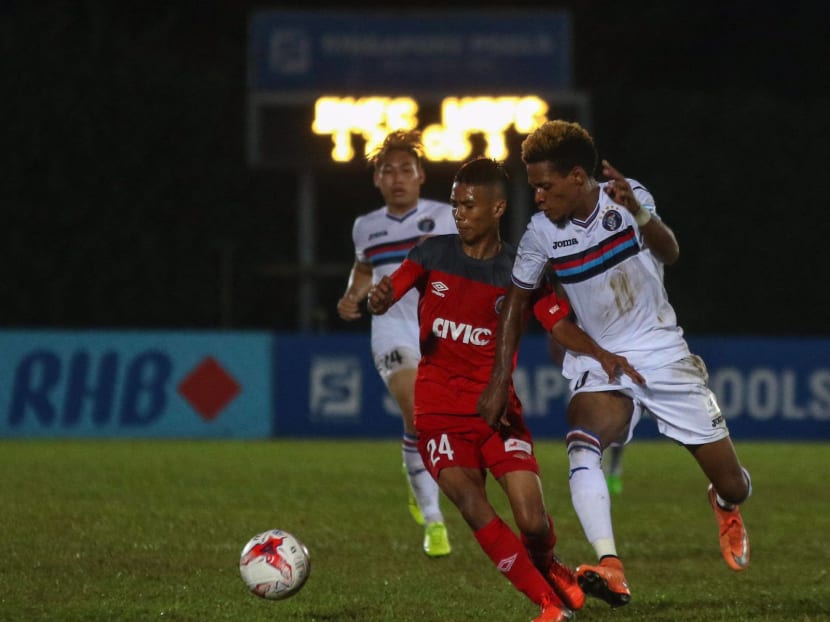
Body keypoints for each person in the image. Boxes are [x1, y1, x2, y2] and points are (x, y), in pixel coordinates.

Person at [479, 120, 752, 608]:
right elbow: (517, 306)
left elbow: (670, 250)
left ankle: (725, 504)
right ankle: (610, 564)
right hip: (600, 359)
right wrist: (501, 378)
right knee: (582, 441)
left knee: (736, 482)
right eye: (534, 187)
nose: (538, 198)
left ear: (579, 178)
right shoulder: (541, 233)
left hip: (662, 353)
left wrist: (642, 214)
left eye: (546, 186)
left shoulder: (626, 201)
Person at [367, 157, 642, 622]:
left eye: (469, 206)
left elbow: (556, 322)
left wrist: (601, 354)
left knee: (532, 521)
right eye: (455, 204)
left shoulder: (521, 268)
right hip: (438, 413)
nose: (459, 213)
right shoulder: (432, 253)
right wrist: (378, 297)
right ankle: (549, 607)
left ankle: (547, 564)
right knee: (473, 504)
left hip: (496, 409)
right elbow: (393, 288)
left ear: (496, 209)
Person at [336, 130, 456, 557]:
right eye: (388, 171)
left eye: (407, 169)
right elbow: (363, 269)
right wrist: (353, 293)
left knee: (440, 423)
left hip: (443, 330)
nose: (397, 178)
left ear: (422, 176)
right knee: (417, 407)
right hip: (391, 327)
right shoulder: (366, 227)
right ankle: (434, 521)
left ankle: (416, 475)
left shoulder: (447, 216)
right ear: (377, 181)